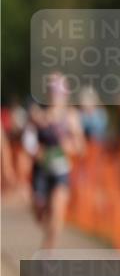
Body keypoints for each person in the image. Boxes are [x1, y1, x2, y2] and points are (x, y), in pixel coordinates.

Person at [24, 74, 84, 249]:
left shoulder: (71, 117)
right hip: (41, 170)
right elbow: (28, 139)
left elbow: (81, 146)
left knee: (58, 211)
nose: (55, 94)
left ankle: (48, 251)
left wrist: (69, 147)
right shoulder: (38, 115)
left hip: (61, 170)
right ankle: (47, 228)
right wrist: (34, 150)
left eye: (58, 90)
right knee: (39, 211)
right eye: (52, 90)